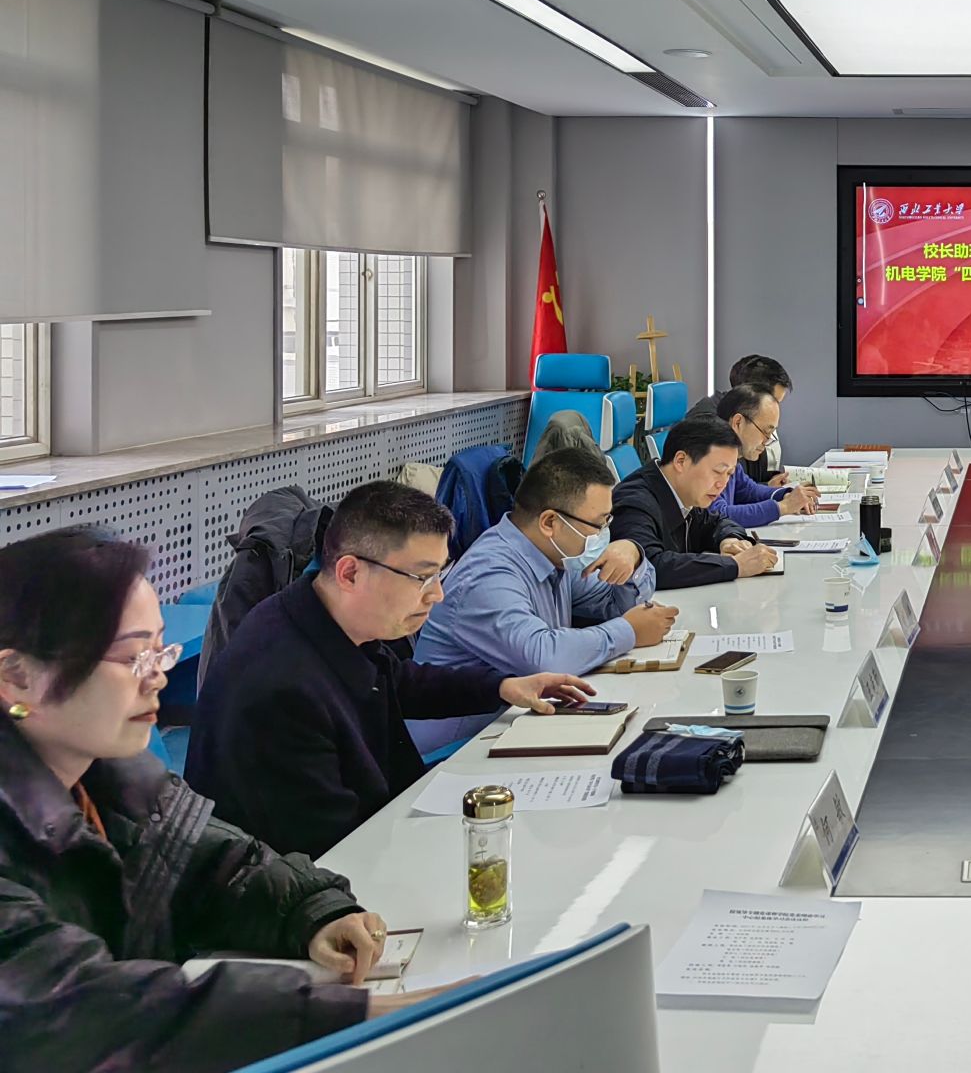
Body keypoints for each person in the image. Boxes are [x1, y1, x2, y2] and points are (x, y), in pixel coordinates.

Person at [0, 529, 440, 1070]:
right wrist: (340, 1015)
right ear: (17, 677)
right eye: (132, 656)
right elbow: (82, 1008)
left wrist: (310, 911)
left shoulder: (114, 778)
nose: (157, 677)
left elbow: (215, 863)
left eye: (159, 649)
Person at [188, 482, 594, 860]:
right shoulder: (283, 691)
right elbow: (335, 852)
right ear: (350, 572)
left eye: (439, 574)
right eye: (422, 577)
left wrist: (503, 687)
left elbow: (397, 680)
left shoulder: (326, 615)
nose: (437, 595)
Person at [409, 449, 678, 749]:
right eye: (598, 524)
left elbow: (615, 604)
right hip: (455, 751)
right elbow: (544, 658)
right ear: (550, 522)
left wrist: (633, 555)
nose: (604, 534)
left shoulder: (556, 555)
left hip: (514, 728)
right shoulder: (488, 573)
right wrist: (629, 631)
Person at [612, 417, 782, 588]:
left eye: (729, 474)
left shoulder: (685, 491)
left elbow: (717, 521)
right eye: (718, 471)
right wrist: (736, 566)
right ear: (681, 461)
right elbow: (650, 566)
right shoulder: (634, 503)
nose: (722, 484)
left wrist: (730, 540)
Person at [707, 384, 817, 527]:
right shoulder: (707, 455)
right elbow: (717, 515)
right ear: (738, 423)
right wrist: (783, 507)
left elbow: (749, 491)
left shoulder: (731, 457)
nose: (767, 441)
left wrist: (786, 495)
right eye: (765, 431)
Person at [691, 354, 794, 484]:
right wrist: (768, 490)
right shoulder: (710, 428)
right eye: (773, 401)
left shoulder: (749, 420)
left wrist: (772, 485)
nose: (775, 409)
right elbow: (722, 492)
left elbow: (747, 484)